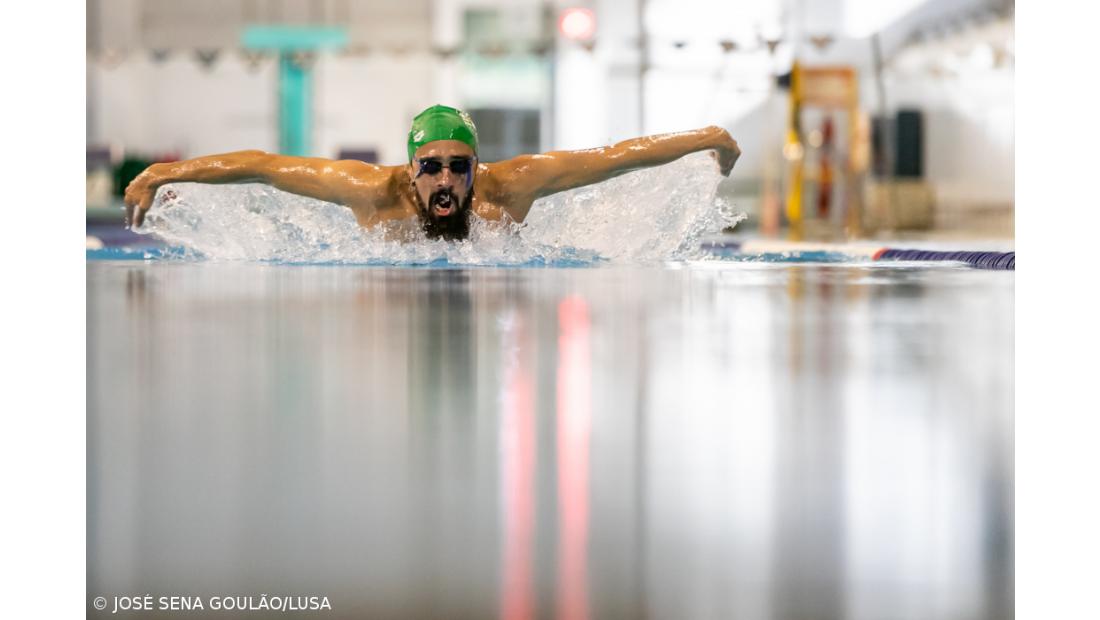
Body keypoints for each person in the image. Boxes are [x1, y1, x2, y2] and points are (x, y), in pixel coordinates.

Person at [125, 104, 741, 241]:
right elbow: (264, 167)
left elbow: (613, 158)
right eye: (432, 167)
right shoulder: (370, 191)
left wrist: (705, 138)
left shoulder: (512, 185)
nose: (445, 181)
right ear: (410, 167)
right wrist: (161, 171)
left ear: (477, 167)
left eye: (459, 167)